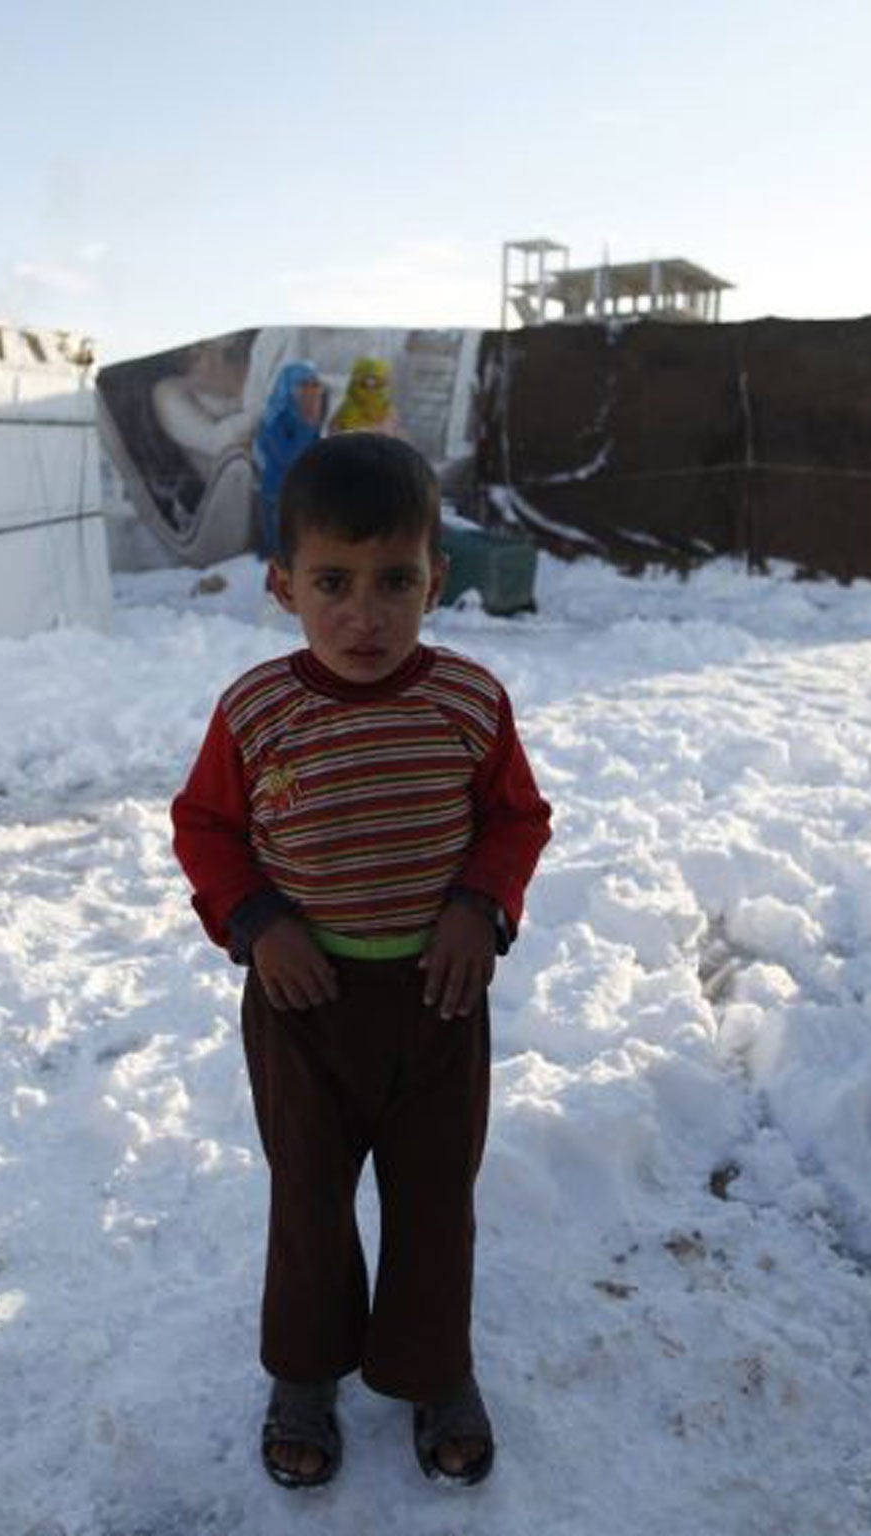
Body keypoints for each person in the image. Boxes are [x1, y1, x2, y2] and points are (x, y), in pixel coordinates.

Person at [171, 432, 550, 1490]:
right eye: (332, 582)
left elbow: (514, 821)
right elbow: (204, 830)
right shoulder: (256, 714)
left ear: (436, 578)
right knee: (309, 1197)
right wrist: (258, 923)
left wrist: (481, 906)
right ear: (284, 585)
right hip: (303, 1004)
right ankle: (304, 1370)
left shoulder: (467, 703)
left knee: (436, 1197)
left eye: (393, 583)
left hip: (437, 1002)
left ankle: (434, 1369)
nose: (363, 613)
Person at [251, 361, 326, 557]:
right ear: (288, 387)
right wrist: (307, 427)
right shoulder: (273, 420)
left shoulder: (307, 414)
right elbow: (288, 457)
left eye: (314, 385)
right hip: (278, 496)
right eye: (303, 385)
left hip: (304, 495)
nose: (309, 391)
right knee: (280, 554)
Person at [328, 355, 398, 436]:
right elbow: (333, 441)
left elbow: (395, 441)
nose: (370, 389)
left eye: (376, 383)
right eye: (364, 383)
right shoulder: (345, 412)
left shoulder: (387, 412)